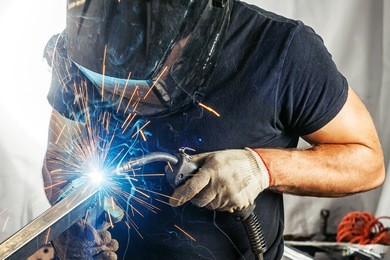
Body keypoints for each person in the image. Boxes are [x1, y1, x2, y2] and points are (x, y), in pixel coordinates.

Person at [42, 0, 385, 259]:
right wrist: (69, 224)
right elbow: (59, 158)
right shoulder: (80, 54)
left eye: (142, 88)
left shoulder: (281, 49)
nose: (126, 103)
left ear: (192, 33)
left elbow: (367, 163)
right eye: (107, 88)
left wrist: (262, 169)